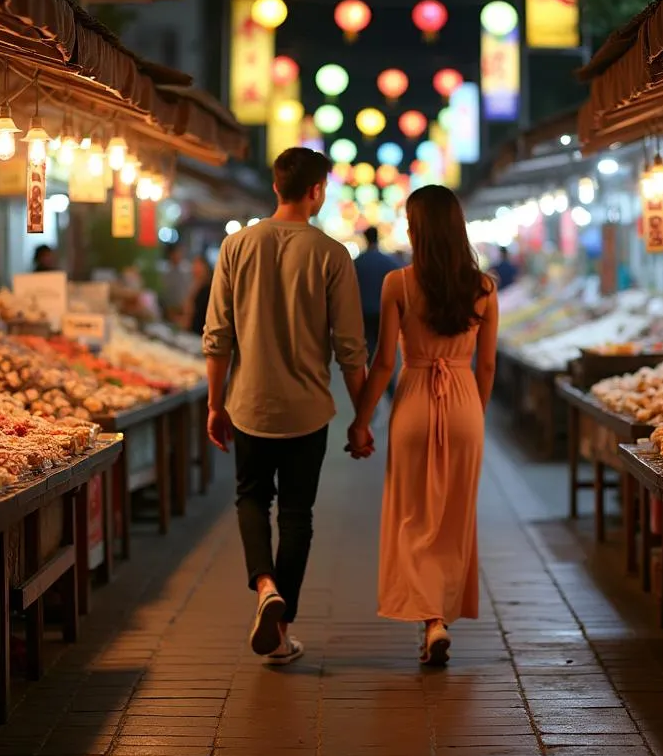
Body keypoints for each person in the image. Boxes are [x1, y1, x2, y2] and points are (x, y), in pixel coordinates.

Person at [202, 147, 372, 667]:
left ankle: (265, 587)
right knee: (298, 515)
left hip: (249, 404)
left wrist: (215, 404)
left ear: (277, 187)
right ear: (317, 191)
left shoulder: (236, 246)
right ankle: (282, 629)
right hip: (307, 411)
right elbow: (350, 349)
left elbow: (217, 337)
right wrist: (361, 419)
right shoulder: (332, 254)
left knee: (251, 499)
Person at [348, 184, 498, 666]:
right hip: (463, 403)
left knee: (412, 515)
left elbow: (384, 363)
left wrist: (362, 421)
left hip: (413, 399)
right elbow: (488, 367)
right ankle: (441, 616)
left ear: (416, 229)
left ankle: (430, 620)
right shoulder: (485, 288)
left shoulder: (399, 283)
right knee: (454, 516)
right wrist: (475, 411)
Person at [354, 225, 398, 362]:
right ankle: (385, 378)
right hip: (383, 310)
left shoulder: (357, 263)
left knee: (367, 344)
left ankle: (370, 372)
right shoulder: (388, 262)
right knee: (384, 346)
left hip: (363, 310)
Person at [160, 243, 191, 322]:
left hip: (183, 310)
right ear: (170, 255)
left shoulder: (187, 270)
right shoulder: (165, 271)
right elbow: (165, 292)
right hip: (168, 309)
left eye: (179, 253)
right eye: (175, 253)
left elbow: (188, 291)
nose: (177, 256)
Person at [185, 255, 213, 334]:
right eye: (194, 266)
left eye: (198, 267)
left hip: (202, 332)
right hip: (192, 331)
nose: (195, 269)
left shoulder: (208, 289)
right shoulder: (195, 286)